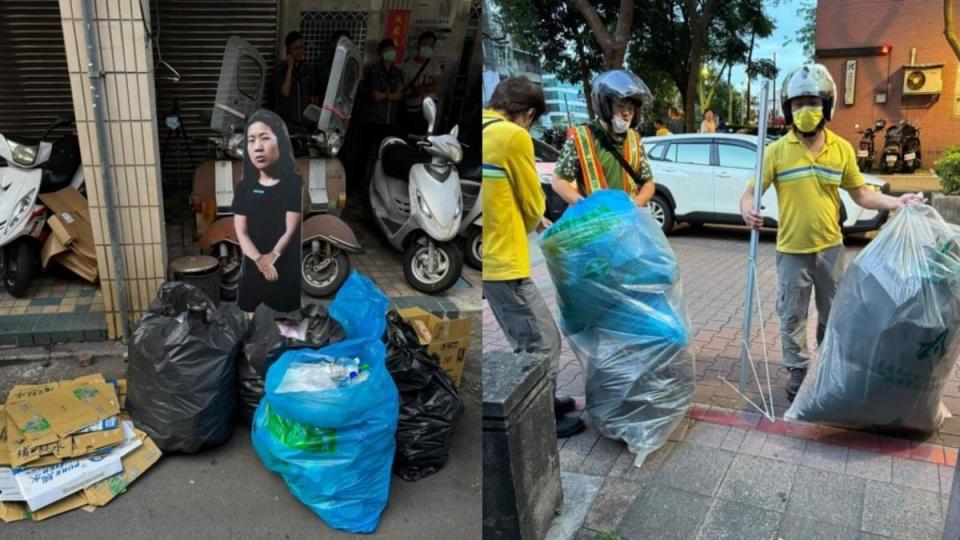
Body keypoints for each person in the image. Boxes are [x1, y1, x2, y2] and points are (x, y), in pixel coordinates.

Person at [739, 64, 924, 401]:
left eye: (811, 102)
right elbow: (749, 193)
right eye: (797, 104)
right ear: (787, 109)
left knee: (834, 314)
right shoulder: (776, 151)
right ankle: (797, 371)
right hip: (792, 250)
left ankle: (825, 364)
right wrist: (747, 208)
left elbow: (861, 194)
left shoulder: (841, 149)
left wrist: (897, 202)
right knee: (791, 314)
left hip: (831, 249)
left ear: (826, 105)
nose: (804, 110)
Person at [482, 77, 585, 438]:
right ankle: (540, 417)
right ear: (526, 114)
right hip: (505, 263)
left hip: (491, 262)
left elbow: (503, 193)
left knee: (527, 340)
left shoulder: (482, 128)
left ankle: (542, 398)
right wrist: (538, 217)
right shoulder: (513, 136)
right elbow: (532, 201)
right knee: (541, 342)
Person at [550, 69, 656, 208]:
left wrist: (636, 204)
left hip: (627, 221)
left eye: (630, 108)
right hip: (596, 221)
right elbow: (559, 181)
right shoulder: (581, 137)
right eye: (620, 106)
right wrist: (584, 205)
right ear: (605, 106)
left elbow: (648, 183)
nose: (626, 113)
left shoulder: (634, 139)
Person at [233, 110, 303, 313]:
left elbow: (291, 230)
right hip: (254, 270)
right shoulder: (244, 187)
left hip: (284, 269)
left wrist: (273, 255)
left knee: (284, 322)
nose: (258, 147)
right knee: (251, 323)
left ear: (280, 141)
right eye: (251, 140)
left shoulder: (293, 184)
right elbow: (241, 231)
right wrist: (260, 261)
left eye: (265, 138)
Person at [355, 39, 405, 200]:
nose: (391, 54)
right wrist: (391, 95)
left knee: (383, 155)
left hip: (388, 120)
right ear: (380, 53)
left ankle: (379, 188)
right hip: (371, 120)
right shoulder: (373, 71)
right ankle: (360, 188)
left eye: (393, 50)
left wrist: (387, 95)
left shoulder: (397, 72)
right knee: (364, 154)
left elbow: (400, 95)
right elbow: (375, 95)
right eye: (387, 51)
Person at [399, 31, 443, 136]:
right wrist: (412, 92)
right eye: (425, 44)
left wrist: (421, 90)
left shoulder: (434, 66)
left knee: (424, 139)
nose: (428, 47)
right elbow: (402, 90)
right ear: (419, 45)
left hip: (427, 112)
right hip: (410, 110)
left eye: (431, 45)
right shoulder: (406, 67)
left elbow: (433, 86)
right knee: (409, 136)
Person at [274, 31, 319, 128]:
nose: (300, 51)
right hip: (287, 123)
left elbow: (314, 96)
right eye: (295, 48)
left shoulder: (308, 69)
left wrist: (315, 120)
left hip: (307, 122)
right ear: (288, 50)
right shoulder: (280, 70)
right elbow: (285, 92)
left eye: (301, 47)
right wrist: (290, 67)